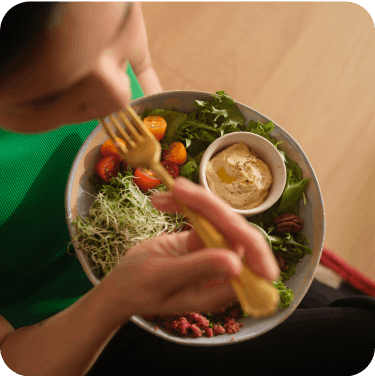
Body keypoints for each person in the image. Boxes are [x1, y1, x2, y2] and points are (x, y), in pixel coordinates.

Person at [0, 2, 374, 376]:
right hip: (79, 341)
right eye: (48, 97)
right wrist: (113, 301)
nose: (120, 100)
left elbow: (142, 67)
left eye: (121, 27)